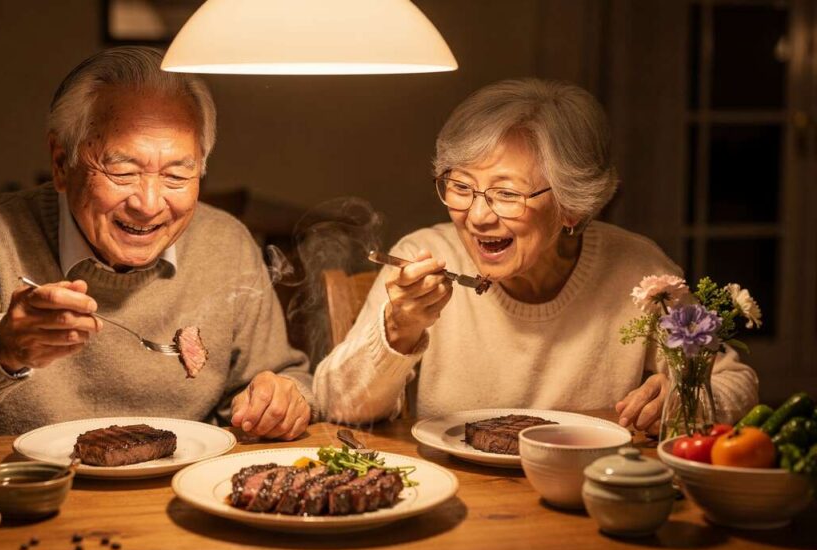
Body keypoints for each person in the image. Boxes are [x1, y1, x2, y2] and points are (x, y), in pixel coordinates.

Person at [0, 47, 313, 439]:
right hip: (31, 507)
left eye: (177, 175)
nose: (149, 203)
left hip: (181, 503)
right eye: (122, 171)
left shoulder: (226, 243)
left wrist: (285, 397)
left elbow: (286, 375)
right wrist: (0, 349)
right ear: (62, 164)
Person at [314, 78, 758, 432]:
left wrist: (683, 397)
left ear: (571, 205)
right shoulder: (423, 254)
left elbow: (738, 383)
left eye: (506, 193)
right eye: (461, 186)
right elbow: (337, 402)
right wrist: (399, 330)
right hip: (458, 503)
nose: (477, 216)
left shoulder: (639, 274)